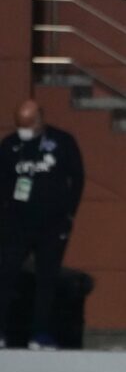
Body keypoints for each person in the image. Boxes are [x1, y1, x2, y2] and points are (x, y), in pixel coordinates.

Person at [0, 99, 85, 350]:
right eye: (20, 125)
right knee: (7, 275)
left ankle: (40, 333)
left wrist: (68, 214)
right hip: (17, 224)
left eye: (29, 124)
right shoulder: (10, 145)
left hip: (52, 225)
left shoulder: (62, 142)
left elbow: (77, 178)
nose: (24, 130)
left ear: (40, 120)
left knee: (46, 279)